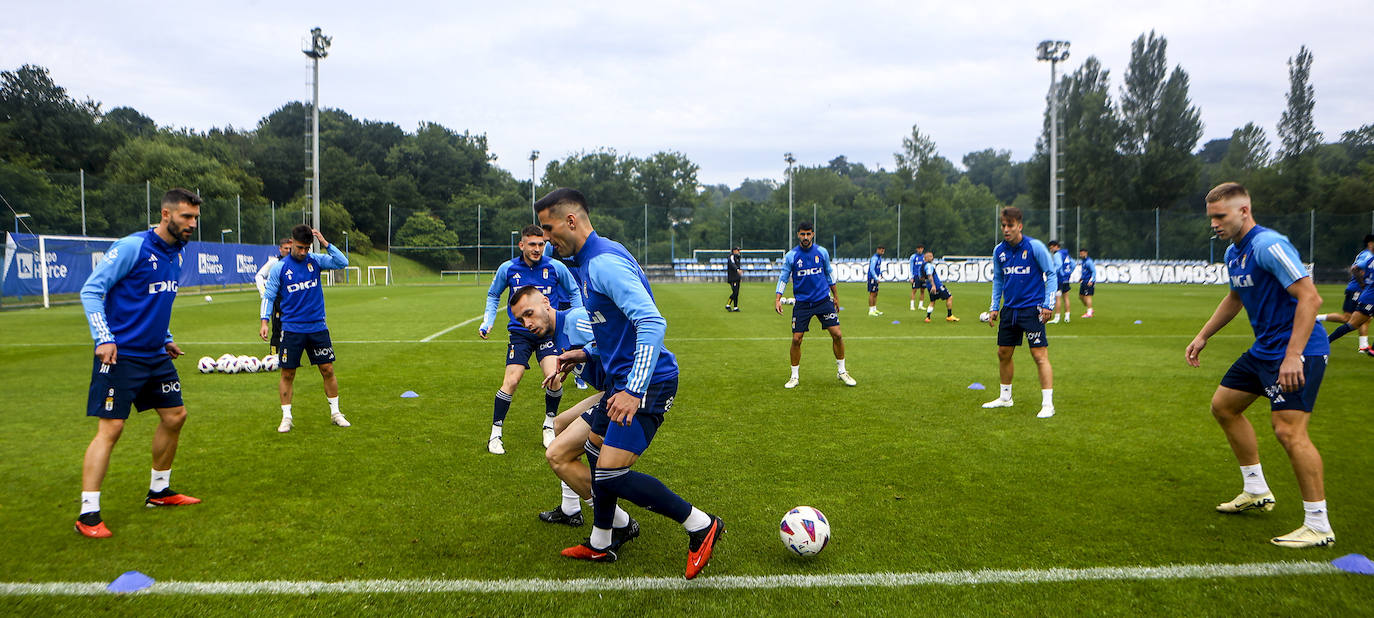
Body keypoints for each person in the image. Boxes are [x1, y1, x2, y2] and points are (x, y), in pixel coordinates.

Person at [536, 187, 723, 579]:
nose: (547, 240)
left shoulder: (603, 263)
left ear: (571, 221)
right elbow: (616, 328)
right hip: (623, 379)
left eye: (549, 229)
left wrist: (634, 389)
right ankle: (603, 541)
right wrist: (585, 353)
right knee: (592, 448)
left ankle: (701, 526)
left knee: (610, 472)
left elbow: (651, 322)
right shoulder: (591, 261)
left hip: (649, 381)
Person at [1184, 182, 1333, 548]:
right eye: (1212, 218)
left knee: (1288, 431)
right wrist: (1203, 335)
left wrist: (1293, 355)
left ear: (1244, 211)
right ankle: (1256, 490)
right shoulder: (1235, 254)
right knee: (1224, 406)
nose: (1215, 224)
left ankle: (1318, 525)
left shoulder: (1268, 245)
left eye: (1220, 216)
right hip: (1265, 350)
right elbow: (1235, 297)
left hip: (1298, 351)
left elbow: (1310, 298)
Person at [75, 188, 204, 538]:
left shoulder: (178, 253)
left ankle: (159, 492)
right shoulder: (132, 247)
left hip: (155, 355)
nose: (192, 224)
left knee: (175, 415)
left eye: (195, 218)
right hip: (121, 355)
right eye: (186, 217)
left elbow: (155, 300)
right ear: (166, 215)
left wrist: (164, 337)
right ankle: (88, 514)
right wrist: (104, 337)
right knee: (111, 429)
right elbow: (91, 291)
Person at [506, 287, 638, 544]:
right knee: (560, 424)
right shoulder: (555, 333)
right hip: (608, 392)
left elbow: (616, 341)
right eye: (521, 320)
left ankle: (618, 520)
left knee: (558, 453)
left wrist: (584, 355)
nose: (527, 323)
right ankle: (570, 508)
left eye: (529, 314)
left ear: (546, 302)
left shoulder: (576, 319)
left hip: (624, 394)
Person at [478, 224, 582, 453]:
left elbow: (575, 292)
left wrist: (575, 318)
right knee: (512, 380)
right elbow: (494, 294)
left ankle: (548, 425)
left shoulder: (555, 267)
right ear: (521, 244)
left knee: (554, 378)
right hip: (520, 333)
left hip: (548, 333)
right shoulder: (508, 268)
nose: (537, 249)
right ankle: (495, 434)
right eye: (532, 244)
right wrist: (488, 321)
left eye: (541, 244)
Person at [258, 225, 351, 433]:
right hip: (292, 329)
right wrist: (264, 321)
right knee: (288, 373)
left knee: (327, 369)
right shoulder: (280, 268)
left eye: (306, 248)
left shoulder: (315, 261)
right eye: (300, 248)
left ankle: (336, 413)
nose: (303, 252)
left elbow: (342, 262)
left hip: (318, 327)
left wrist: (325, 243)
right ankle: (286, 417)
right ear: (291, 243)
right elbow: (269, 296)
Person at [981, 207, 1057, 419]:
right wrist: (994, 306)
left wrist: (1048, 303)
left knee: (1039, 355)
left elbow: (1051, 274)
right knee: (1003, 353)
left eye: (1010, 226)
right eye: (1003, 226)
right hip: (1010, 310)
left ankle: (1048, 404)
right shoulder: (999, 251)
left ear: (1019, 226)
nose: (1006, 230)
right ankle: (1005, 398)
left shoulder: (1035, 247)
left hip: (1032, 310)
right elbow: (998, 279)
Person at [775, 221, 856, 389]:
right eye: (802, 234)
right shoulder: (791, 256)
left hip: (822, 300)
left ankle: (842, 371)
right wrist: (778, 298)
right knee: (797, 339)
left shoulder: (822, 252)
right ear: (798, 235)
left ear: (813, 234)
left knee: (837, 334)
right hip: (803, 303)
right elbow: (783, 277)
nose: (805, 237)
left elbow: (828, 274)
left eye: (808, 234)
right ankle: (794, 376)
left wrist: (836, 295)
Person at [1316, 234, 1373, 354]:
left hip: (1365, 293)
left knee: (1360, 321)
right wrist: (1363, 284)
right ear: (1370, 244)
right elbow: (1356, 269)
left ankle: (1364, 346)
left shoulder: (1369, 258)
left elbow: (1357, 268)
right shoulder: (1368, 256)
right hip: (1363, 294)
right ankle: (1318, 322)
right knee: (1349, 320)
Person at [255, 237, 291, 355]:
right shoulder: (274, 263)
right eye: (286, 248)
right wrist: (263, 293)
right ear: (280, 249)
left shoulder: (295, 262)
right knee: (277, 329)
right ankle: (273, 355)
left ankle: (290, 355)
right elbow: (259, 276)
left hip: (292, 302)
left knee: (291, 331)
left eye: (290, 248)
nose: (288, 250)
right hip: (278, 302)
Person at [921, 252, 958, 323]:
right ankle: (949, 315)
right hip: (937, 286)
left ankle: (928, 317)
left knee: (932, 302)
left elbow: (921, 278)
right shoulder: (929, 266)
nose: (932, 258)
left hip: (929, 286)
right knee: (949, 297)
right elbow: (929, 275)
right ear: (926, 258)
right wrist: (934, 285)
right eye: (931, 256)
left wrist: (928, 284)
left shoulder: (922, 266)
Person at [1046, 240, 1073, 324]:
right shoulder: (1066, 254)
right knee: (1066, 298)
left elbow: (1059, 265)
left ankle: (1057, 317)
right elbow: (1073, 264)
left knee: (1057, 298)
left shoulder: (1057, 254)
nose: (1051, 250)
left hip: (1059, 279)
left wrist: (1052, 272)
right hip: (1066, 279)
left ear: (1056, 246)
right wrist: (1068, 273)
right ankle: (1067, 317)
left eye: (1051, 248)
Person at [867, 246, 885, 316]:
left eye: (883, 251)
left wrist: (880, 274)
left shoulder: (879, 258)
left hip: (875, 278)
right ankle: (871, 310)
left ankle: (874, 309)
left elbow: (878, 268)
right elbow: (872, 269)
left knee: (876, 293)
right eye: (881, 250)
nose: (882, 252)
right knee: (872, 293)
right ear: (878, 250)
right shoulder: (874, 258)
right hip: (872, 278)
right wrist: (876, 278)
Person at [1078, 248, 1096, 318]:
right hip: (1084, 281)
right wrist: (1081, 278)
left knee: (1087, 296)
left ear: (1086, 253)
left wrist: (1091, 280)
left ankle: (1089, 313)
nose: (1081, 255)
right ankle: (1090, 309)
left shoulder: (1089, 261)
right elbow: (1085, 271)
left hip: (1088, 282)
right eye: (1080, 253)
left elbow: (1093, 271)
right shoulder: (1083, 261)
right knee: (1081, 296)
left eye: (1082, 253)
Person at [909, 244, 927, 311]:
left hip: (923, 276)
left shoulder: (924, 257)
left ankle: (920, 305)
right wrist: (911, 277)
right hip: (916, 276)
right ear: (917, 249)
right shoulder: (913, 257)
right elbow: (911, 267)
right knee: (914, 290)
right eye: (919, 248)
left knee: (922, 291)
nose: (920, 250)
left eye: (921, 248)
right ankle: (912, 305)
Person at [725, 247, 742, 312]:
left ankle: (735, 307)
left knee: (737, 293)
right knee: (735, 292)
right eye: (738, 250)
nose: (739, 251)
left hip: (737, 277)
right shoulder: (731, 257)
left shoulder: (737, 258)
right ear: (734, 251)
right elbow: (732, 265)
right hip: (732, 278)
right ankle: (728, 305)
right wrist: (737, 270)